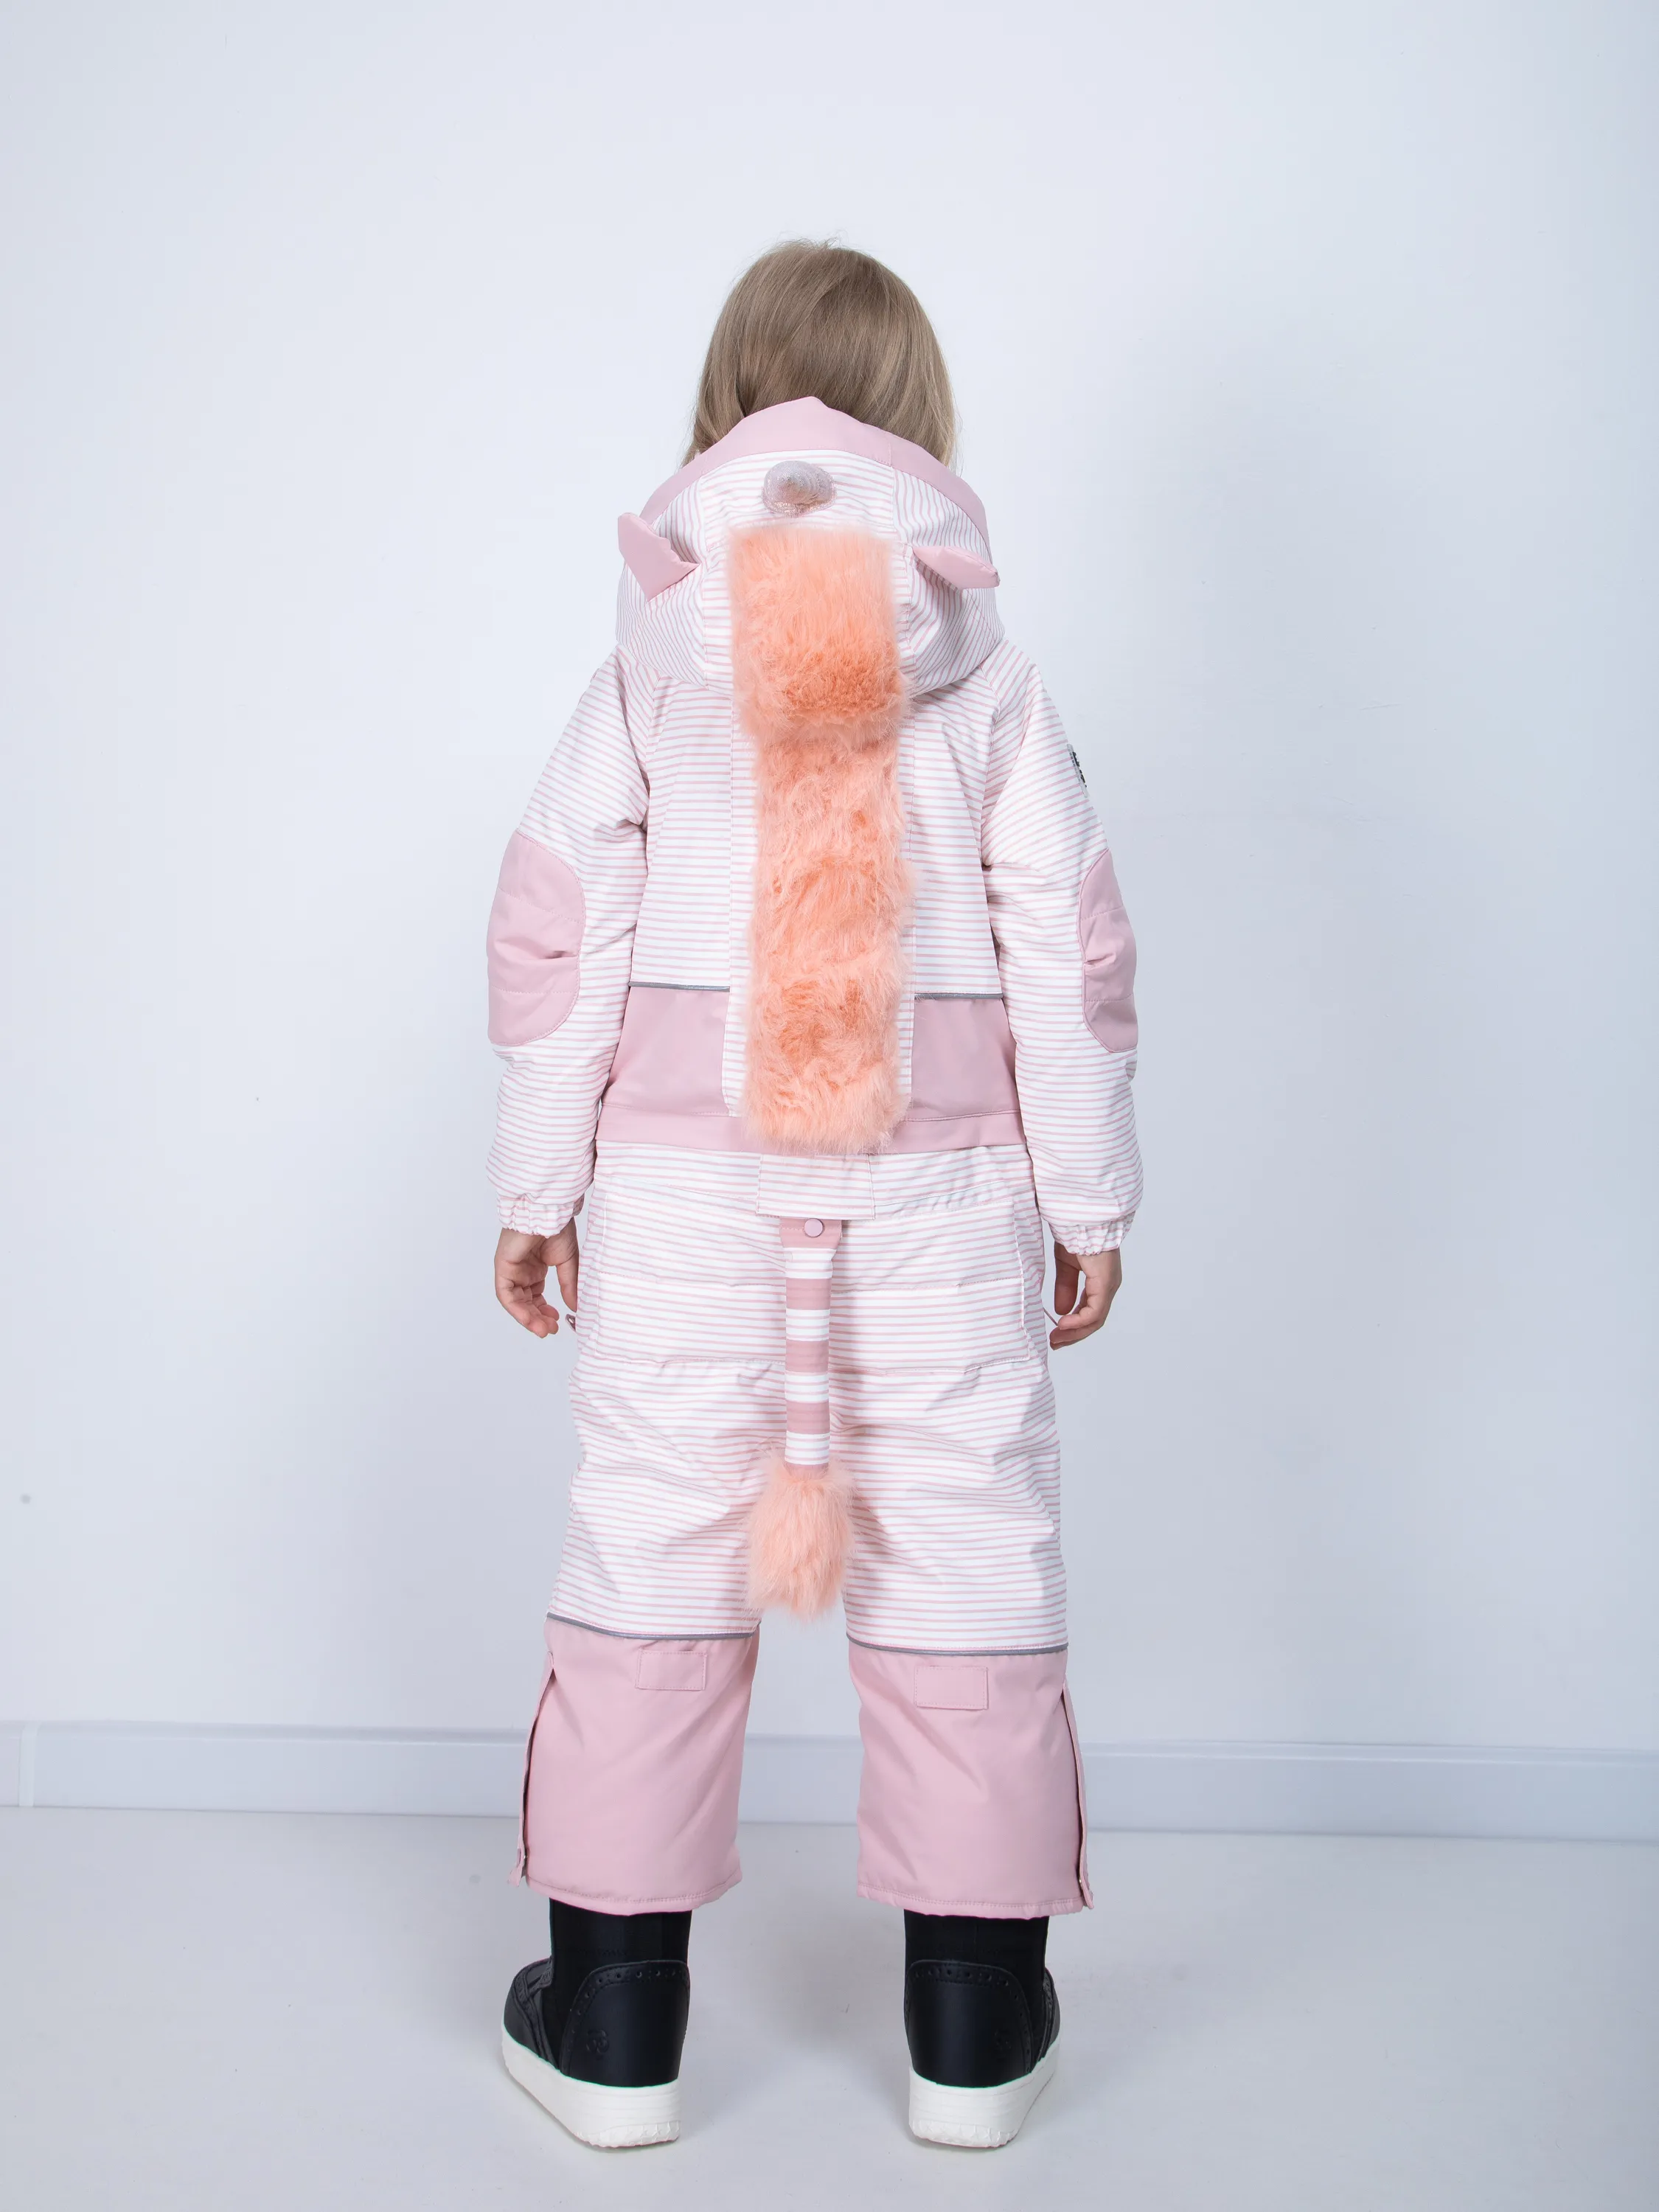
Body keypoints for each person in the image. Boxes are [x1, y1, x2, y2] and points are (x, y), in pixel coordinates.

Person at [485, 240, 1141, 2152]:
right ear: (922, 412)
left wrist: (538, 1182)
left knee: (653, 1547)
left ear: (723, 404)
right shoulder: (987, 666)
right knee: (966, 1546)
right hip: (943, 1187)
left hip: (685, 1186)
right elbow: (1068, 952)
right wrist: (1087, 1197)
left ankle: (612, 2021)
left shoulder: (648, 661)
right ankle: (977, 2030)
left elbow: (561, 937)